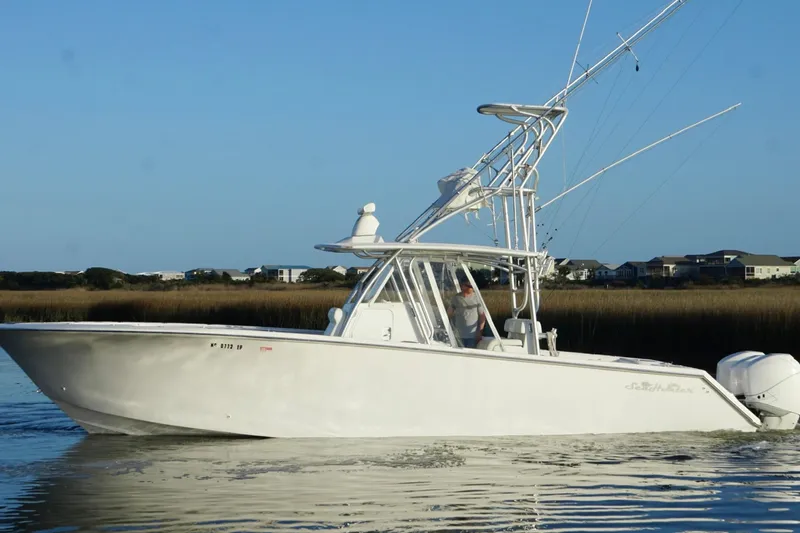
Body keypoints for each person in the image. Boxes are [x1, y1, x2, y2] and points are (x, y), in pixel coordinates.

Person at [447, 279, 486, 348]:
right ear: (462, 286)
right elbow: (449, 313)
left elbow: (482, 316)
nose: (471, 288)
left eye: (471, 286)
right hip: (458, 335)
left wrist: (479, 332)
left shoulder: (477, 298)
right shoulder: (456, 298)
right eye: (468, 286)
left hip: (472, 335)